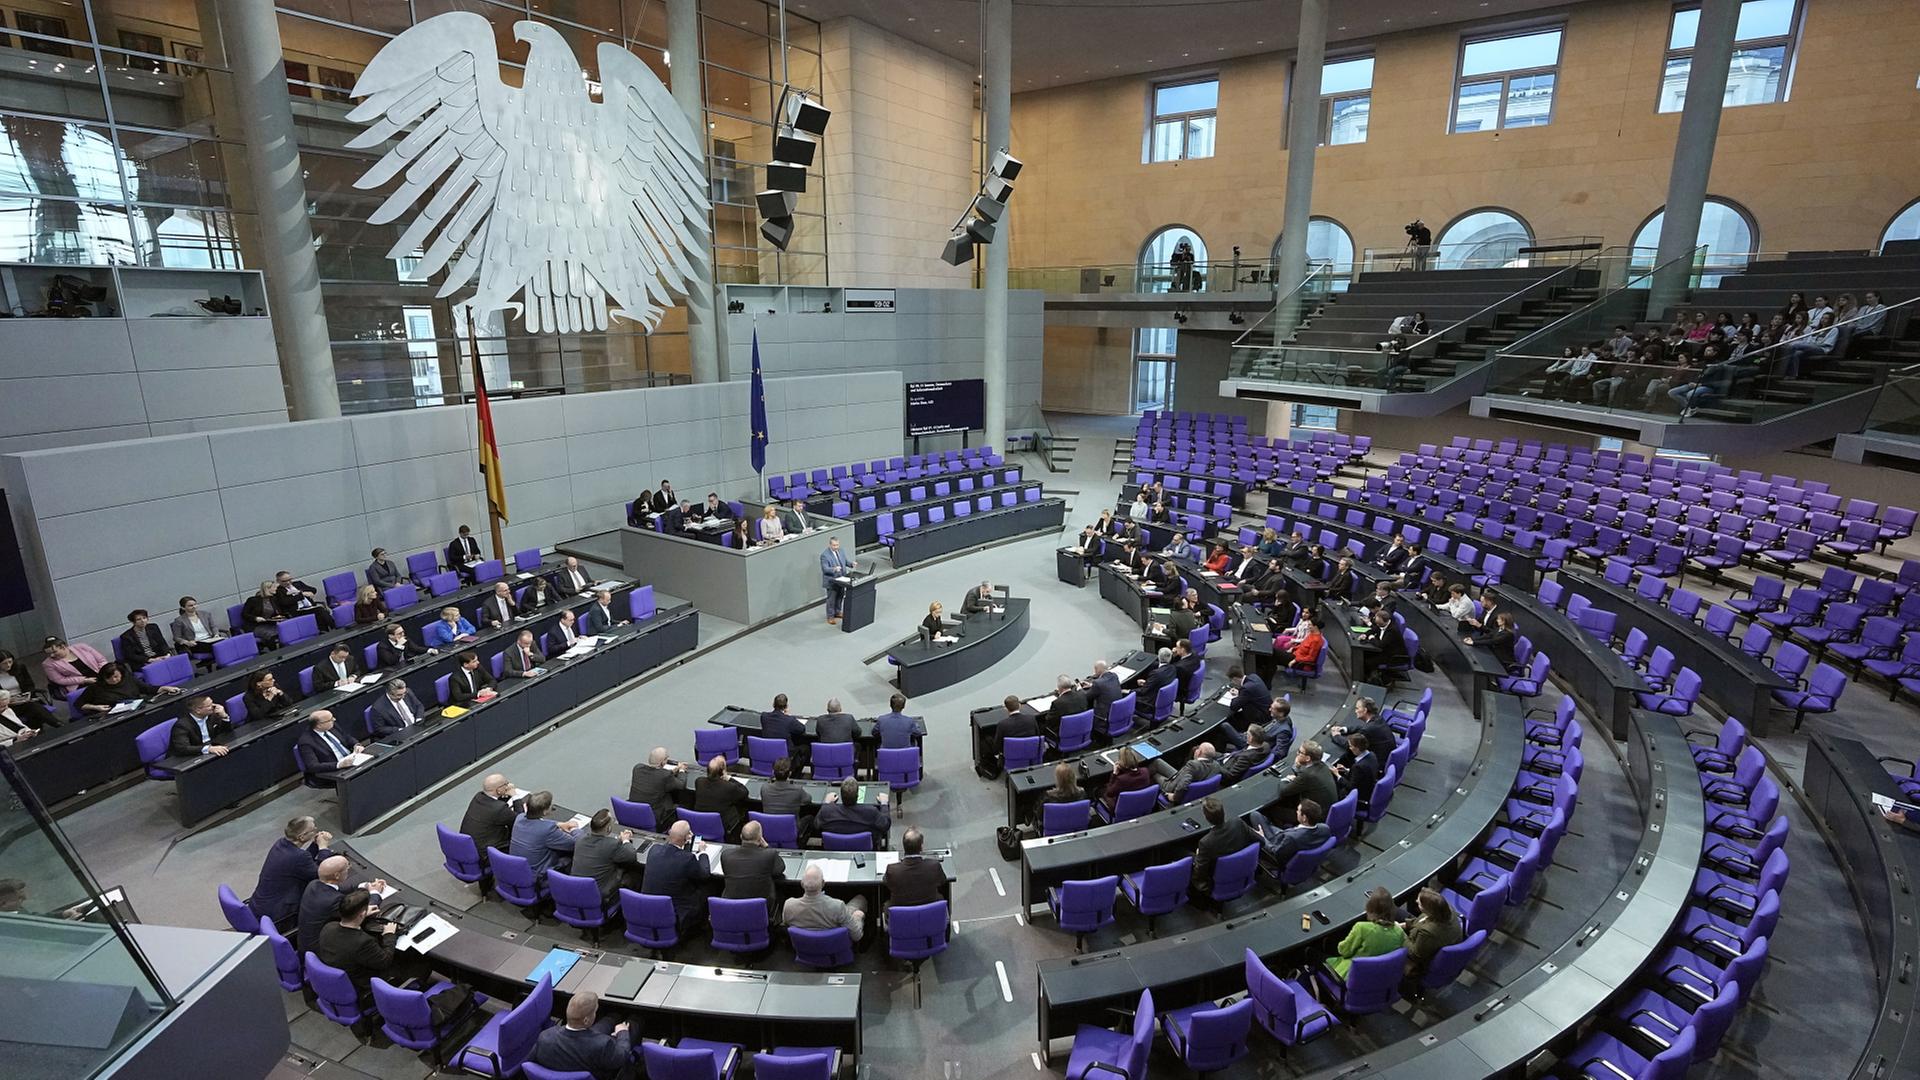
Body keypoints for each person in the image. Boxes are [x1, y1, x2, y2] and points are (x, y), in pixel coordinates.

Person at [312, 889, 445, 1013]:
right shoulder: (362, 942)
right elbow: (385, 961)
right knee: (424, 962)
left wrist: (363, 916)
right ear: (361, 914)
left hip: (344, 977)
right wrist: (389, 935)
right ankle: (410, 1001)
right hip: (365, 983)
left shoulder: (329, 927)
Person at [245, 815, 334, 928]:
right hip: (278, 915)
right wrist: (323, 848)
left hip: (259, 907)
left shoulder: (280, 844)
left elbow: (302, 861)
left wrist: (315, 844)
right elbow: (321, 873)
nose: (316, 830)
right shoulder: (298, 856)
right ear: (302, 837)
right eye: (313, 830)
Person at [532, 991, 633, 1080]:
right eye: (595, 1012)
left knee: (612, 1018)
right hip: (599, 1074)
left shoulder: (545, 1036)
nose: (595, 1014)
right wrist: (622, 1032)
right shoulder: (602, 1044)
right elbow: (621, 1056)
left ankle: (615, 1016)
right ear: (586, 1020)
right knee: (634, 1023)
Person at [642, 820, 711, 933]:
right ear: (687, 837)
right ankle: (702, 926)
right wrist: (703, 852)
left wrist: (683, 841)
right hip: (676, 914)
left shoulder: (654, 850)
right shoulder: (687, 859)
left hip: (648, 908)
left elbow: (671, 853)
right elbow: (704, 874)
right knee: (709, 888)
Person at [1327, 887, 1407, 979]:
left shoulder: (1361, 928)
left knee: (1318, 952)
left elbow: (1343, 951)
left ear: (1370, 909)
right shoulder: (1399, 933)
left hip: (1351, 976)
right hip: (1378, 977)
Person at [1190, 796, 1258, 899]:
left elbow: (1200, 874)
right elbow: (1260, 841)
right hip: (1242, 871)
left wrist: (1198, 857)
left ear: (1206, 817)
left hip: (1217, 880)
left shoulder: (1206, 843)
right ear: (1223, 812)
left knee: (1184, 855)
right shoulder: (1237, 822)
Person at [785, 863, 868, 942]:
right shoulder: (838, 906)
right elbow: (857, 936)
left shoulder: (788, 906)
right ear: (823, 883)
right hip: (834, 947)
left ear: (802, 884)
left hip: (804, 947)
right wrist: (858, 917)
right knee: (860, 899)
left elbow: (786, 924)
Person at [1402, 886, 1465, 990]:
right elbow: (1422, 920)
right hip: (1427, 938)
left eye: (1419, 903)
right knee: (1396, 912)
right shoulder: (1445, 909)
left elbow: (1415, 954)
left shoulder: (1428, 932)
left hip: (1421, 959)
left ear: (1428, 910)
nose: (1416, 901)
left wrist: (1399, 933)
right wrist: (1404, 925)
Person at [571, 809, 643, 901]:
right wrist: (625, 840)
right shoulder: (612, 845)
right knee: (635, 875)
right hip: (598, 895)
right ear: (609, 828)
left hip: (575, 890)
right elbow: (631, 856)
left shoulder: (580, 839)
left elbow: (578, 834)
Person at [721, 819, 786, 915]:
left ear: (740, 836)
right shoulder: (769, 854)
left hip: (732, 906)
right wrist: (766, 846)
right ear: (760, 839)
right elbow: (780, 869)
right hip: (760, 908)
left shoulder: (726, 855)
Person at [510, 790, 579, 880]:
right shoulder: (547, 830)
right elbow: (574, 844)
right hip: (537, 875)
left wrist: (559, 824)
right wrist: (575, 830)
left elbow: (539, 823)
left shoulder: (519, 818)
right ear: (545, 811)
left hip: (517, 868)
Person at [1249, 797, 1330, 867]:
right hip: (1286, 838)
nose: (1296, 812)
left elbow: (1275, 852)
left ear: (1304, 818)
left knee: (1254, 815)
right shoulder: (1324, 828)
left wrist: (1262, 838)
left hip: (1276, 845)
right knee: (1268, 824)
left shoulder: (1291, 838)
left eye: (1298, 810)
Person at [882, 827, 944, 914]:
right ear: (921, 847)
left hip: (902, 917)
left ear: (904, 846)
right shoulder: (934, 866)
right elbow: (942, 881)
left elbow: (886, 882)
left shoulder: (892, 870)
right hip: (929, 915)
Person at [817, 776, 891, 849]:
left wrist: (826, 802)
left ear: (840, 795)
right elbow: (885, 825)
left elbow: (816, 825)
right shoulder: (871, 812)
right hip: (864, 850)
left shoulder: (826, 811)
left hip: (834, 849)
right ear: (857, 796)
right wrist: (884, 803)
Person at [76, 661, 176, 714]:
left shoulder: (129, 679)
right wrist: (96, 707)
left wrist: (164, 688)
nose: (113, 680)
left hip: (136, 712)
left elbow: (148, 689)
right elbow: (79, 704)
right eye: (109, 678)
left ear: (121, 674)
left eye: (116, 676)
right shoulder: (95, 687)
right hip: (111, 719)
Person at [297, 856, 353, 949]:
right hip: (321, 950)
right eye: (347, 867)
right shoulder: (334, 900)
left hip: (304, 944)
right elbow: (355, 913)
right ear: (337, 875)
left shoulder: (313, 885)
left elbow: (337, 889)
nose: (349, 869)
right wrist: (374, 894)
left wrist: (362, 886)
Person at [459, 773, 521, 855]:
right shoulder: (499, 809)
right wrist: (515, 796)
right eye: (506, 784)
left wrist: (505, 794)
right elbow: (520, 820)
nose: (509, 786)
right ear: (498, 790)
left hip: (470, 847)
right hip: (487, 854)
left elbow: (494, 803)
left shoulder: (478, 797)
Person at [693, 755, 750, 840]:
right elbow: (744, 792)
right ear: (723, 771)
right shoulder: (728, 787)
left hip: (701, 823)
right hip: (723, 825)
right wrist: (729, 778)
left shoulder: (699, 782)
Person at [627, 747, 686, 828]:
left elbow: (655, 776)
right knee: (680, 806)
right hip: (653, 816)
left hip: (633, 812)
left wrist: (672, 772)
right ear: (663, 762)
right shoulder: (665, 775)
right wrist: (682, 770)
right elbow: (681, 785)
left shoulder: (637, 768)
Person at [295, 710, 363, 780]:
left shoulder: (332, 726)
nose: (334, 719)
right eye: (330, 720)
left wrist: (356, 745)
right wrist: (339, 764)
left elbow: (347, 737)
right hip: (334, 770)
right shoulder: (306, 742)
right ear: (319, 725)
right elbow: (313, 766)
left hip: (352, 758)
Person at [1218, 667, 1272, 751]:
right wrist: (1240, 694)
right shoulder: (1254, 677)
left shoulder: (1246, 689)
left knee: (1225, 726)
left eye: (1231, 680)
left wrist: (1238, 696)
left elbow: (1234, 706)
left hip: (1260, 719)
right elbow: (1251, 694)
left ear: (1235, 679)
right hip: (1267, 712)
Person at [760, 757, 815, 839]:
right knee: (811, 817)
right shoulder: (797, 790)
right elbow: (808, 799)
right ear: (790, 773)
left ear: (773, 772)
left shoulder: (764, 788)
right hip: (791, 830)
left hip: (770, 828)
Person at [169, 695, 233, 757]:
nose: (214, 706)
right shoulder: (182, 725)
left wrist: (224, 716)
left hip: (212, 747)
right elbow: (182, 748)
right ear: (198, 710)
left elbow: (226, 732)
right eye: (209, 706)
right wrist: (208, 749)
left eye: (212, 703)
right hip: (191, 756)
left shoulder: (213, 715)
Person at [41, 638, 109, 695]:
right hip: (79, 684)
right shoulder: (48, 664)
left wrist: (102, 671)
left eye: (54, 652)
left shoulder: (81, 647)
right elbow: (60, 680)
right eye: (49, 654)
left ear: (63, 647)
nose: (51, 655)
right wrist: (84, 680)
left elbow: (102, 660)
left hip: (100, 674)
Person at [1333, 732, 1381, 811]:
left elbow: (1351, 787)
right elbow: (1362, 774)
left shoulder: (1358, 766)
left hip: (1360, 796)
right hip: (1369, 787)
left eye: (1351, 746)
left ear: (1357, 748)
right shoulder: (1372, 755)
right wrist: (1346, 770)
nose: (1350, 748)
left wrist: (1337, 775)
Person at [168, 597, 224, 664]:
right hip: (196, 644)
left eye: (195, 604)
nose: (194, 607)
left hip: (210, 639)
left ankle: (221, 663)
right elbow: (176, 637)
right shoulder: (179, 620)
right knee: (219, 646)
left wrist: (216, 635)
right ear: (183, 608)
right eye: (190, 606)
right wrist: (187, 642)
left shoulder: (205, 614)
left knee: (223, 642)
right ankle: (221, 663)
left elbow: (213, 627)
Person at [1102, 746, 1157, 813]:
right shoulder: (1145, 771)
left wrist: (1114, 774)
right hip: (1141, 805)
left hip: (1123, 810)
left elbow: (1109, 793)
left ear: (1121, 762)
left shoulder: (1121, 779)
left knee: (1102, 790)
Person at [994, 693, 1039, 769]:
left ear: (1006, 708)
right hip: (1031, 755)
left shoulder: (1002, 724)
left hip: (1011, 758)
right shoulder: (1031, 719)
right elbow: (1037, 735)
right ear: (1020, 705)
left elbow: (997, 745)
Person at [758, 693, 807, 763]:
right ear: (786, 706)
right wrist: (787, 716)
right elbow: (802, 729)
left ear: (773, 704)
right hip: (784, 759)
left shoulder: (764, 716)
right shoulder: (789, 720)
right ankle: (794, 770)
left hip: (768, 753)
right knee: (805, 749)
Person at [821, 537, 856, 624]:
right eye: (834, 545)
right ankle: (830, 616)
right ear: (830, 545)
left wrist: (851, 564)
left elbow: (845, 562)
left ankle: (837, 612)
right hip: (832, 581)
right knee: (831, 600)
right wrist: (834, 569)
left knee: (840, 596)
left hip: (842, 579)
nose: (836, 547)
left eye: (837, 545)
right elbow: (825, 569)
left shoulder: (841, 551)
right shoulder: (824, 555)